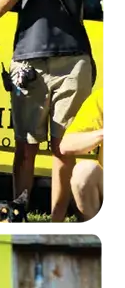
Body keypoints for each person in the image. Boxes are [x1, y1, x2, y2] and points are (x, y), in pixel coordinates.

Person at [0, 0, 105, 223]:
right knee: (25, 147)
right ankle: (19, 216)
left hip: (73, 59)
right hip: (29, 59)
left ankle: (56, 223)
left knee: (63, 148)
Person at [59, 86, 104, 227]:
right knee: (84, 171)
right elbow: (66, 145)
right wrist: (103, 133)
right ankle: (96, 230)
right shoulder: (103, 97)